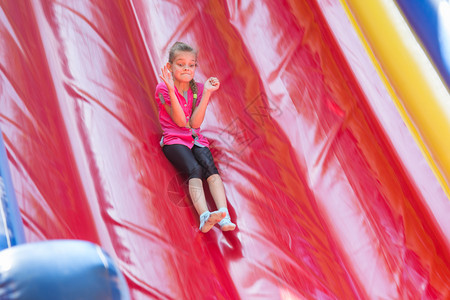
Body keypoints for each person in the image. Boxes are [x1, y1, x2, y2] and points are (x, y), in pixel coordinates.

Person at [155, 41, 236, 233]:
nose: (186, 68)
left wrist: (207, 93)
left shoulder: (197, 89)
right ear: (170, 67)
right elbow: (181, 122)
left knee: (210, 168)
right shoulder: (162, 89)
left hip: (195, 137)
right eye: (181, 64)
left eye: (191, 65)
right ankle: (204, 216)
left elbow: (195, 124)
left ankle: (224, 215)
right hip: (174, 139)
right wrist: (171, 89)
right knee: (195, 169)